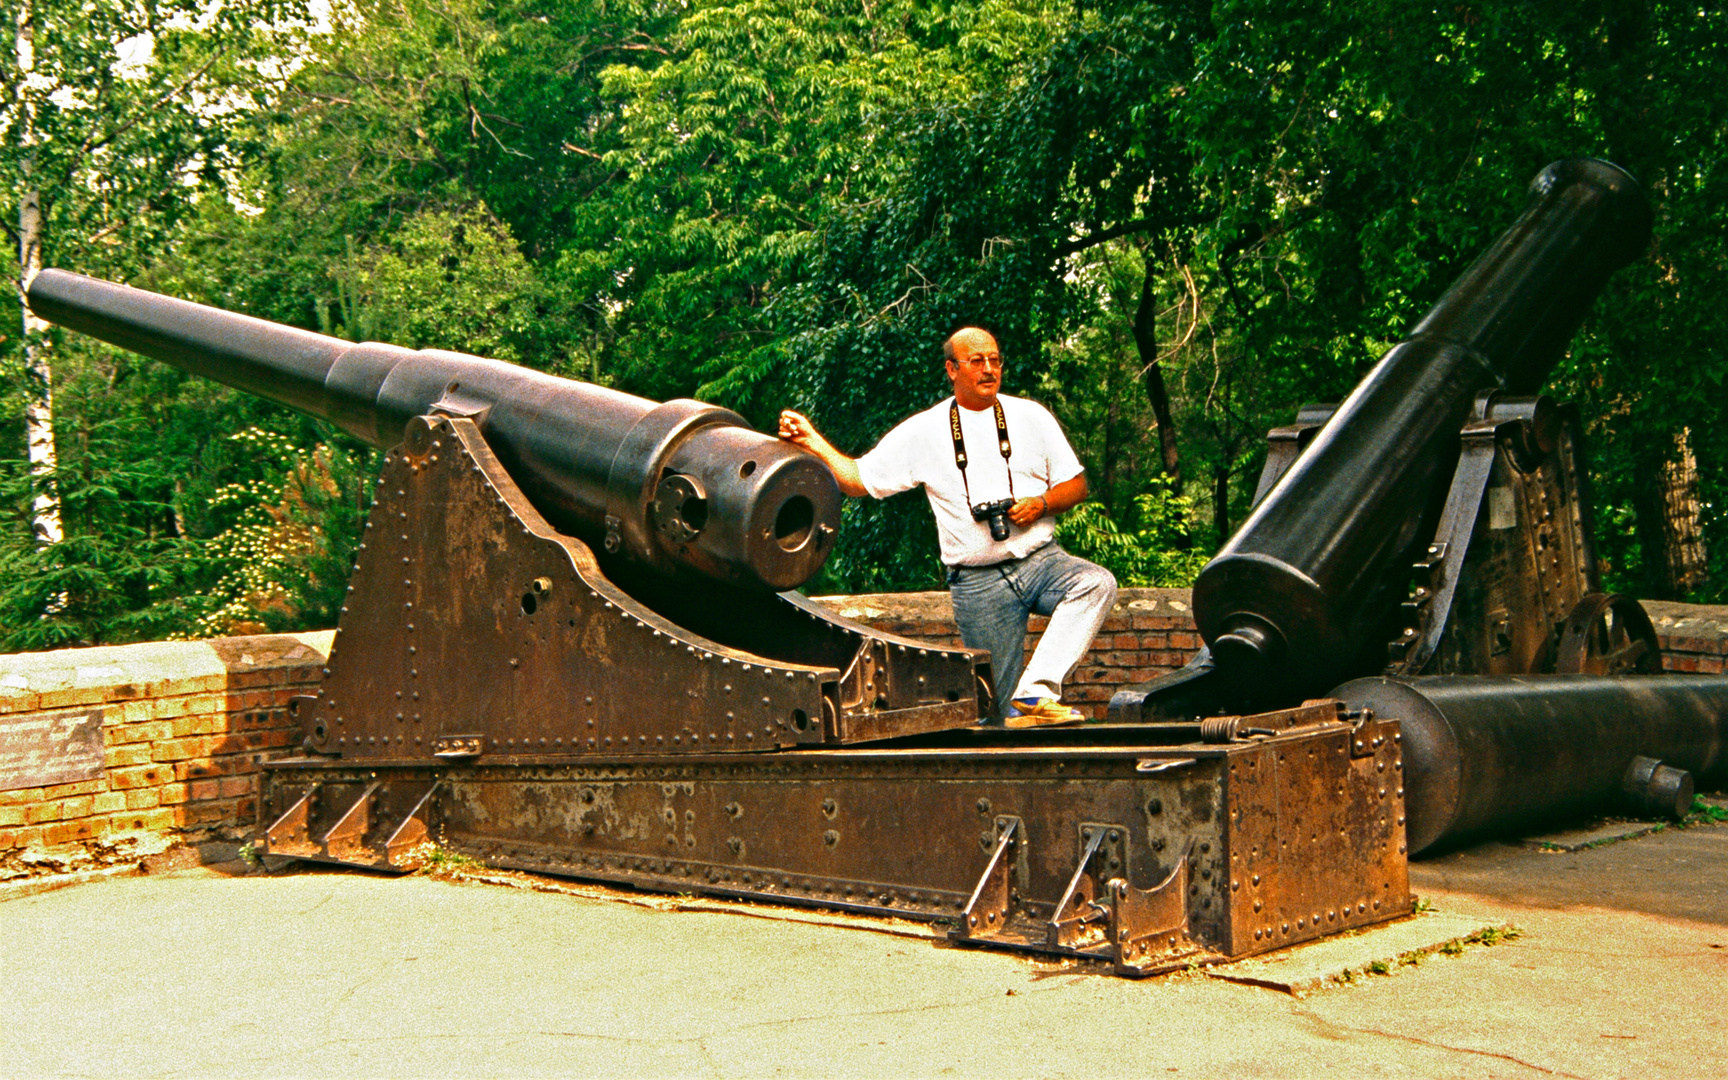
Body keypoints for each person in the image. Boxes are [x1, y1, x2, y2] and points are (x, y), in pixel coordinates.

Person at [778, 326, 1117, 728]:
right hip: (977, 583)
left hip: (1041, 560)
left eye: (995, 360)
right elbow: (857, 480)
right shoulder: (926, 430)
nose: (989, 369)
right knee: (995, 711)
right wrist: (813, 440)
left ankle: (1039, 690)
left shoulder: (1031, 416)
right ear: (952, 370)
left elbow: (1077, 485)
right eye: (977, 361)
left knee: (1095, 583)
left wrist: (1041, 504)